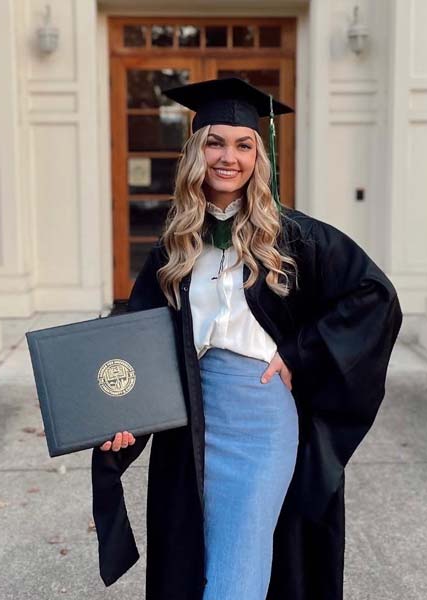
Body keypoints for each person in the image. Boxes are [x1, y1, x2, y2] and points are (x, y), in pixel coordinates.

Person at [91, 77, 403, 600]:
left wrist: (297, 352)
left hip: (259, 420)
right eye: (215, 142)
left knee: (240, 565)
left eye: (244, 144)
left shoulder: (292, 235)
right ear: (196, 150)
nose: (228, 157)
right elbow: (139, 340)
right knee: (198, 561)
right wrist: (120, 417)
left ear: (260, 155)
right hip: (189, 424)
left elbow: (375, 296)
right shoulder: (174, 245)